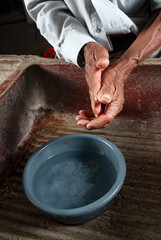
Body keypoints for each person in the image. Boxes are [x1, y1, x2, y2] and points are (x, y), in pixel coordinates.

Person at [24, 0, 161, 129]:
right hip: (76, 47)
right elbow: (43, 4)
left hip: (147, 43)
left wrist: (122, 69)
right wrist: (85, 49)